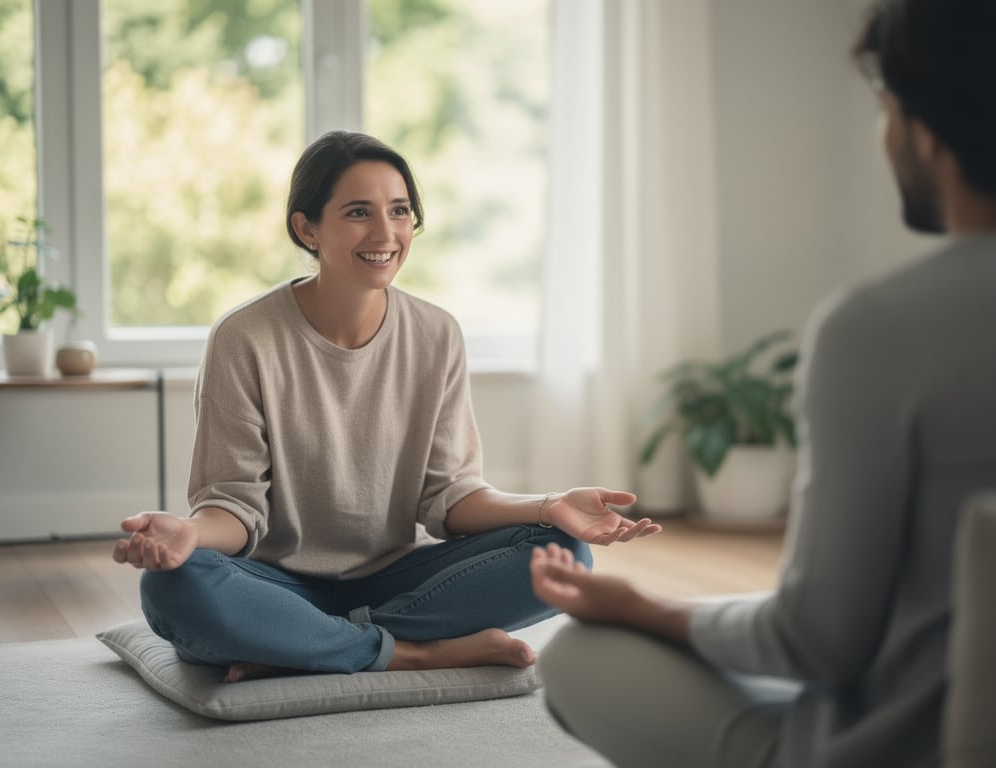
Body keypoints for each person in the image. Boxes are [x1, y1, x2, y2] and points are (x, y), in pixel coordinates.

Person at [530, 1, 996, 766]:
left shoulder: (882, 324)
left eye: (885, 108)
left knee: (578, 655)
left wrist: (643, 606)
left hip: (900, 744)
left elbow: (815, 643)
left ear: (925, 129)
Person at [112, 130, 661, 683]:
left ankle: (301, 645)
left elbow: (451, 497)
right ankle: (415, 652)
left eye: (399, 211)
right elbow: (234, 508)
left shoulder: (437, 333)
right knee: (172, 584)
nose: (385, 233)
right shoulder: (243, 337)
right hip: (277, 582)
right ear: (307, 228)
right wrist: (191, 534)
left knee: (564, 553)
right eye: (358, 212)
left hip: (401, 575)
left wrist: (550, 505)